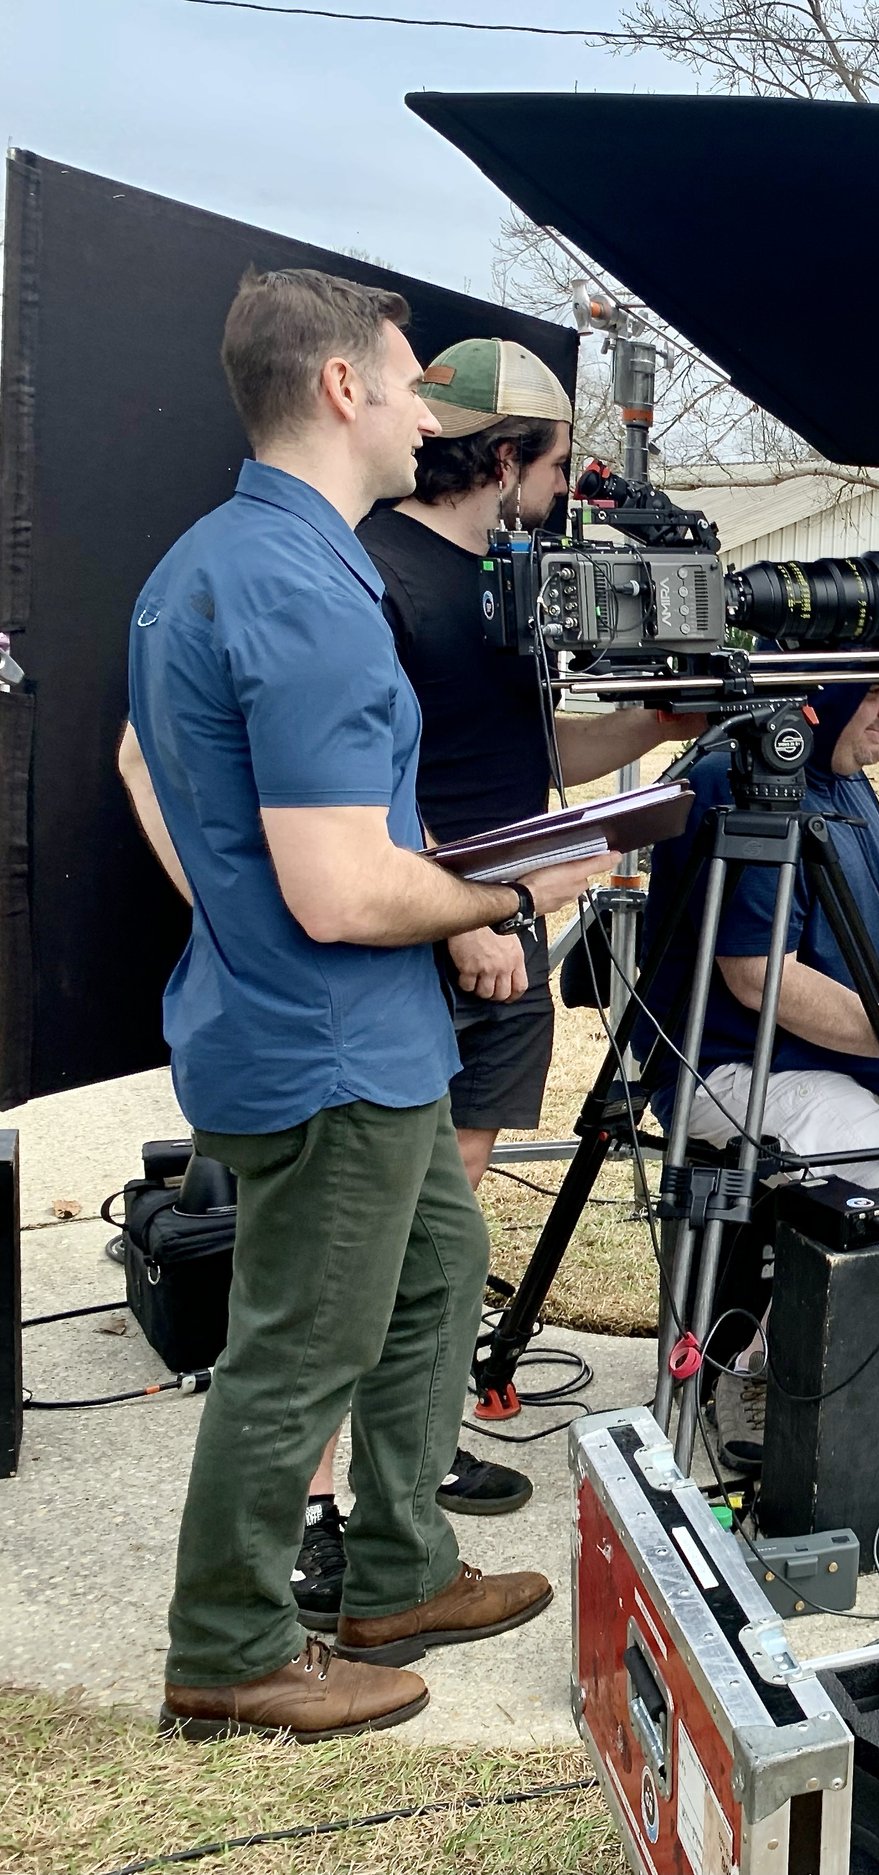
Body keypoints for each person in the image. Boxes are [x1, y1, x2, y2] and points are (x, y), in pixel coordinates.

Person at [120, 269, 609, 1741]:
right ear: (341, 390)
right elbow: (340, 889)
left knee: (433, 1281)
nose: (424, 413)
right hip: (328, 1044)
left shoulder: (221, 559)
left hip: (338, 1033)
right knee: (300, 1350)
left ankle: (397, 1568)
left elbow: (212, 814)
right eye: (405, 383)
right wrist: (514, 894)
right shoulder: (295, 585)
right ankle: (230, 1643)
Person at [267, 338, 703, 1629]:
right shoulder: (380, 579)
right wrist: (464, 923)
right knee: (370, 1244)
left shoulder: (502, 582)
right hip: (438, 937)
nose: (568, 491)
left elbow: (522, 748)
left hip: (505, 921)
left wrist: (651, 729)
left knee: (445, 1227)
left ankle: (413, 1455)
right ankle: (316, 1517)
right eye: (559, 465)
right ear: (506, 455)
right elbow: (376, 782)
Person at [650, 682, 879, 1183]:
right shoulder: (741, 782)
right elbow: (758, 978)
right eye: (875, 691)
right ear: (820, 695)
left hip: (857, 1053)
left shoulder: (845, 777)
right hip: (732, 1066)